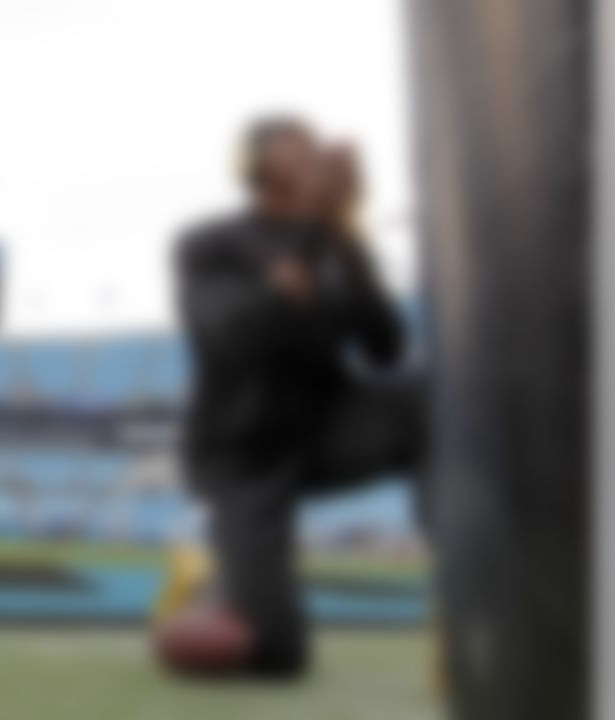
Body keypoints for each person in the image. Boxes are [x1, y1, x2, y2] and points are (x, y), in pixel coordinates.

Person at [172, 116, 421, 678]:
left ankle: (478, 574)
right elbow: (234, 338)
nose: (311, 154)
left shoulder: (336, 240)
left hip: (328, 427)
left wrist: (349, 240)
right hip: (244, 450)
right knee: (274, 655)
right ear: (251, 166)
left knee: (435, 402)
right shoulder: (209, 242)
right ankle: (217, 589)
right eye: (291, 146)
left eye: (315, 145)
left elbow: (388, 350)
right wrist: (308, 241)